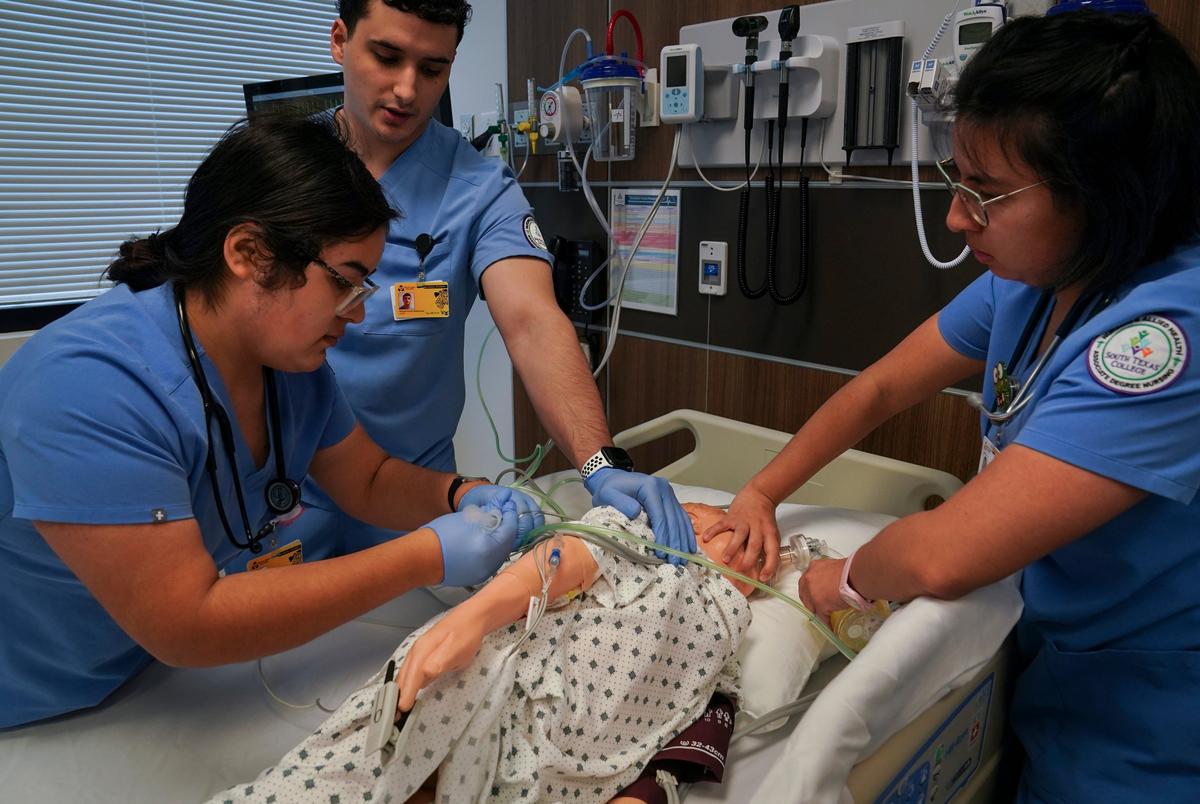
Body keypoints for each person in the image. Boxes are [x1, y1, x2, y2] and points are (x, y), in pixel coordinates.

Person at [703, 11, 1200, 802]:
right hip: (1043, 657)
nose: (956, 217)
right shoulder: (1030, 288)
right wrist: (763, 490)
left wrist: (835, 583)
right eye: (955, 180)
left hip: (1145, 716)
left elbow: (943, 555)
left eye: (988, 193)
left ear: (1103, 196)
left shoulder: (1166, 342)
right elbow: (880, 387)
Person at [0, 115, 545, 729]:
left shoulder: (289, 367)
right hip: (33, 700)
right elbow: (187, 622)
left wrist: (460, 494)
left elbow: (366, 479)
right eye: (345, 284)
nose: (360, 316)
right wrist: (428, 555)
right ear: (249, 254)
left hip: (143, 676)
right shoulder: (88, 387)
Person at [289, 0, 695, 565]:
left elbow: (532, 322)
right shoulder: (278, 169)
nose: (407, 89)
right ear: (340, 40)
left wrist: (600, 464)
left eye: (432, 69)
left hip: (414, 497)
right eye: (387, 57)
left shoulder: (479, 187)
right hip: (280, 498)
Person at [208, 503, 755, 804]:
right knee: (377, 768)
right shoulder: (636, 541)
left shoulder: (729, 633)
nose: (730, 534)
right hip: (495, 682)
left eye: (757, 551)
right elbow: (559, 561)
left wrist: (643, 796)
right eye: (712, 516)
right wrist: (474, 616)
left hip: (563, 765)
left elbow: (690, 737)